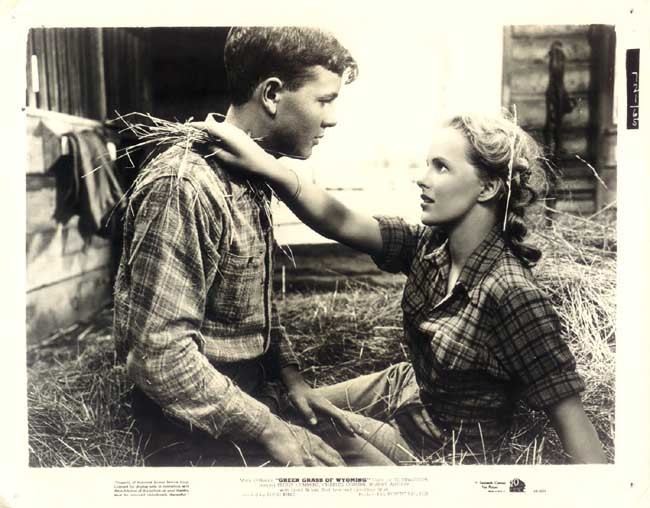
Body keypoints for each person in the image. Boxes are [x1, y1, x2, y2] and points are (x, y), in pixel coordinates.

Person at [198, 111, 608, 464]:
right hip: (406, 386)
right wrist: (266, 166)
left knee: (303, 430)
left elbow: (572, 419)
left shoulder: (513, 294)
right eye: (427, 164)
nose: (421, 179)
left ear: (488, 187)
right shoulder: (431, 245)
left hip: (439, 450)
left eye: (441, 167)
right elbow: (339, 221)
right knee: (289, 405)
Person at [113, 26, 396, 467]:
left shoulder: (249, 175)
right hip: (193, 428)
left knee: (384, 449)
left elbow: (250, 301)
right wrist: (270, 429)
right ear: (271, 94)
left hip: (251, 398)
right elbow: (160, 356)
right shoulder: (184, 185)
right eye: (325, 99)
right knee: (370, 476)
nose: (333, 117)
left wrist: (291, 376)